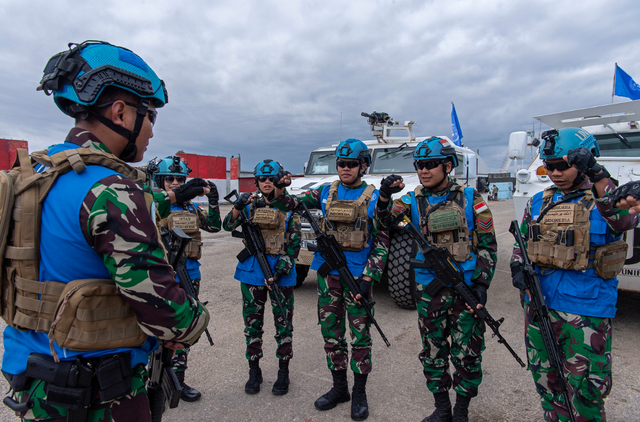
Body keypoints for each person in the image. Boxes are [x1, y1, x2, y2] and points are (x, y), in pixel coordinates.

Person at [1, 41, 210, 421]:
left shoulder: (31, 179)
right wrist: (195, 321)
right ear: (120, 112)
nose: (150, 132)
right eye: (150, 117)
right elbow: (164, 310)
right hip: (96, 390)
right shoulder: (111, 188)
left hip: (33, 380)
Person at [510, 128, 636, 422]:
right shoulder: (539, 201)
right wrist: (518, 266)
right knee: (547, 383)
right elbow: (523, 243)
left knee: (585, 391)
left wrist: (597, 172)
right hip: (541, 307)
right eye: (549, 166)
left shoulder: (608, 197)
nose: (555, 173)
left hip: (585, 310)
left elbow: (624, 218)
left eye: (563, 166)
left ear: (586, 161)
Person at [375, 137, 497, 422]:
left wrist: (481, 283)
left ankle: (461, 411)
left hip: (463, 286)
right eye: (420, 166)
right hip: (428, 291)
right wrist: (383, 196)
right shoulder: (411, 200)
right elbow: (383, 224)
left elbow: (488, 246)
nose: (424, 171)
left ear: (448, 165)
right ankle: (442, 408)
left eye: (430, 165)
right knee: (433, 350)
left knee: (468, 352)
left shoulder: (471, 198)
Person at [272, 139, 389, 421]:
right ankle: (340, 389)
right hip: (327, 276)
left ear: (364, 165)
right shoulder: (326, 191)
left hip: (358, 278)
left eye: (351, 164)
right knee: (331, 335)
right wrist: (279, 185)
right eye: (340, 163)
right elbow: (292, 203)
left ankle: (359, 393)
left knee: (360, 337)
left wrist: (369, 277)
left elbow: (383, 241)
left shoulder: (375, 197)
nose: (345, 168)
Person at [223, 160, 300, 396]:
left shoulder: (289, 205)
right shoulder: (249, 204)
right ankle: (254, 370)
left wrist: (278, 273)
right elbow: (227, 225)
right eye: (262, 179)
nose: (266, 182)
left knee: (283, 325)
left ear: (278, 180)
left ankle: (283, 371)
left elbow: (294, 244)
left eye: (271, 178)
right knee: (252, 325)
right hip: (251, 272)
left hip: (280, 275)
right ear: (256, 181)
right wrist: (238, 204)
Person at [148, 155, 221, 402]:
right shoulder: (154, 206)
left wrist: (212, 200)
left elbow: (213, 226)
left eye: (180, 179)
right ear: (160, 180)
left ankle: (178, 379)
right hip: (162, 279)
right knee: (157, 330)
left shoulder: (190, 207)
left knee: (183, 329)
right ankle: (153, 380)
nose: (176, 183)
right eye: (170, 179)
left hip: (190, 275)